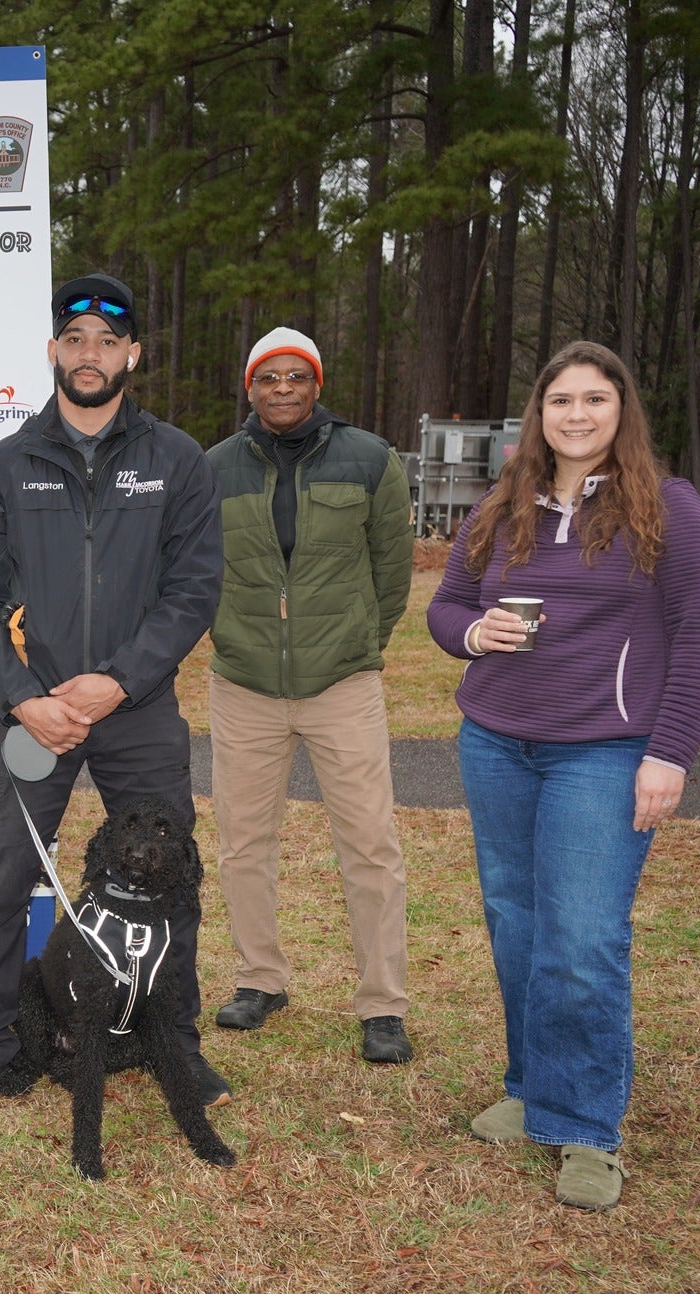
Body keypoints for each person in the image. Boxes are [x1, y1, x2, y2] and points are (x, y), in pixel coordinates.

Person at [427, 340, 700, 1212]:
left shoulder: (668, 509)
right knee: (515, 918)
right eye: (562, 400)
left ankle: (587, 1125)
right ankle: (531, 1087)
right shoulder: (500, 504)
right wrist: (476, 635)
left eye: (596, 399)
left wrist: (669, 753)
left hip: (605, 751)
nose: (578, 414)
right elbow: (449, 607)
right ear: (540, 414)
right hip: (496, 742)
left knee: (586, 935)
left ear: (621, 410)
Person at [0, 272, 225, 1117]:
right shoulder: (7, 466)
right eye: (76, 340)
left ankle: (178, 1043)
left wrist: (120, 679)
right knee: (1, 882)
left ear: (133, 352)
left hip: (138, 714)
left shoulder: (176, 460)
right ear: (54, 352)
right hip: (37, 716)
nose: (91, 355)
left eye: (108, 341)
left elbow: (193, 590)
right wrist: (27, 699)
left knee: (172, 884)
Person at [202, 327, 417, 1064]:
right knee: (243, 844)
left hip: (342, 681)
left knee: (369, 844)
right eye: (269, 377)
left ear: (317, 383)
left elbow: (392, 572)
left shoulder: (370, 459)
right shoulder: (214, 468)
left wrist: (358, 641)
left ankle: (383, 1004)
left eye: (297, 376)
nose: (283, 388)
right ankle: (260, 978)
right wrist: (229, 636)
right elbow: (195, 570)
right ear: (249, 387)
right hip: (245, 683)